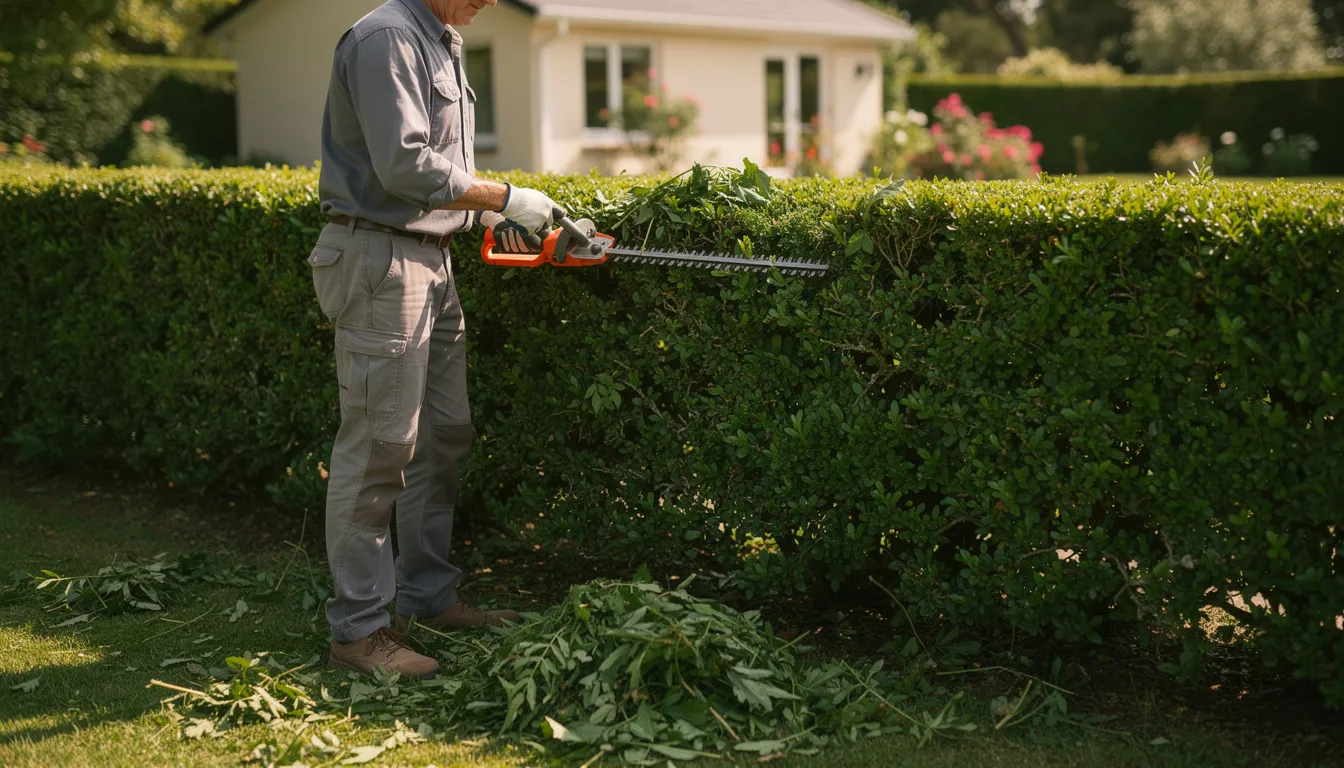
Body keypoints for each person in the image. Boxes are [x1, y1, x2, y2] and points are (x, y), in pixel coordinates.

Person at [307, 0, 548, 679]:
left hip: (432, 259)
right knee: (379, 445)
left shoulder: (440, 38)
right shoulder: (387, 38)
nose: (491, 1)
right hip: (381, 260)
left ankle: (429, 595)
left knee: (444, 433)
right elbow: (406, 167)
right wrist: (506, 196)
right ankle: (358, 631)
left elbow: (441, 176)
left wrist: (489, 213)